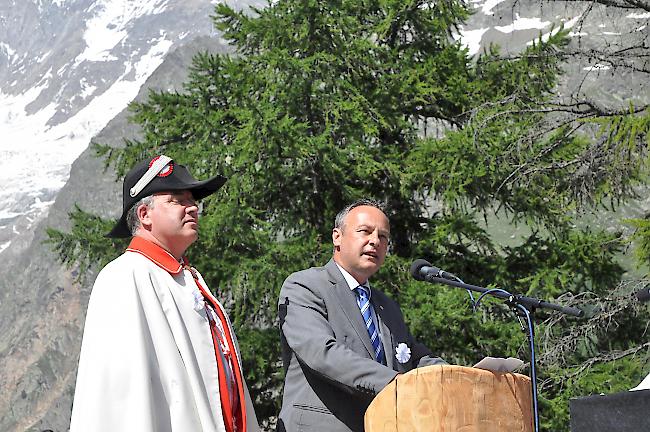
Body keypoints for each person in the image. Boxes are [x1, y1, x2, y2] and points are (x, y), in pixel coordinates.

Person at [70, 155, 260, 432]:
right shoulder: (124, 277)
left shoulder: (188, 279)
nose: (192, 207)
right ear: (144, 215)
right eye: (176, 200)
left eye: (191, 200)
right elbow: (121, 399)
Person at [277, 199, 445, 432]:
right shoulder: (305, 286)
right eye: (365, 231)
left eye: (383, 237)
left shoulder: (388, 307)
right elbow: (321, 352)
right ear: (337, 237)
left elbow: (416, 359)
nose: (375, 241)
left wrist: (463, 377)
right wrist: (395, 383)